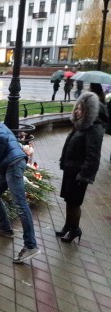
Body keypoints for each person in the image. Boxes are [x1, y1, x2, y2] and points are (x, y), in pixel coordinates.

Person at [0, 116, 40, 263]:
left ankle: (31, 245)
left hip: (14, 165)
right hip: (8, 166)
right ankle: (5, 228)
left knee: (20, 205)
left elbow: (2, 139)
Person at [56, 92, 105, 242]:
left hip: (79, 173)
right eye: (76, 108)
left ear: (88, 112)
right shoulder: (80, 126)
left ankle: (75, 229)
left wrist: (84, 175)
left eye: (80, 109)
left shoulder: (94, 129)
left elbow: (93, 156)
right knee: (68, 200)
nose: (76, 111)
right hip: (71, 170)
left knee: (74, 202)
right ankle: (68, 225)